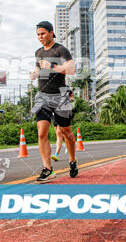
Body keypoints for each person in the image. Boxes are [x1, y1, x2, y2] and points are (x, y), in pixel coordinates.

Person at [29, 21, 78, 183]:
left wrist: (52, 66)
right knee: (41, 132)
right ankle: (48, 169)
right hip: (42, 95)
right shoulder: (38, 52)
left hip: (60, 96)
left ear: (51, 33)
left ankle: (72, 160)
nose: (40, 37)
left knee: (66, 132)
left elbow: (71, 70)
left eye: (42, 33)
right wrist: (35, 73)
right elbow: (38, 68)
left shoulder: (60, 50)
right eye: (37, 34)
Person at [51, 90, 73, 162]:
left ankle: (56, 154)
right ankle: (69, 148)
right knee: (62, 135)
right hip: (55, 117)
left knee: (59, 136)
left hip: (63, 117)